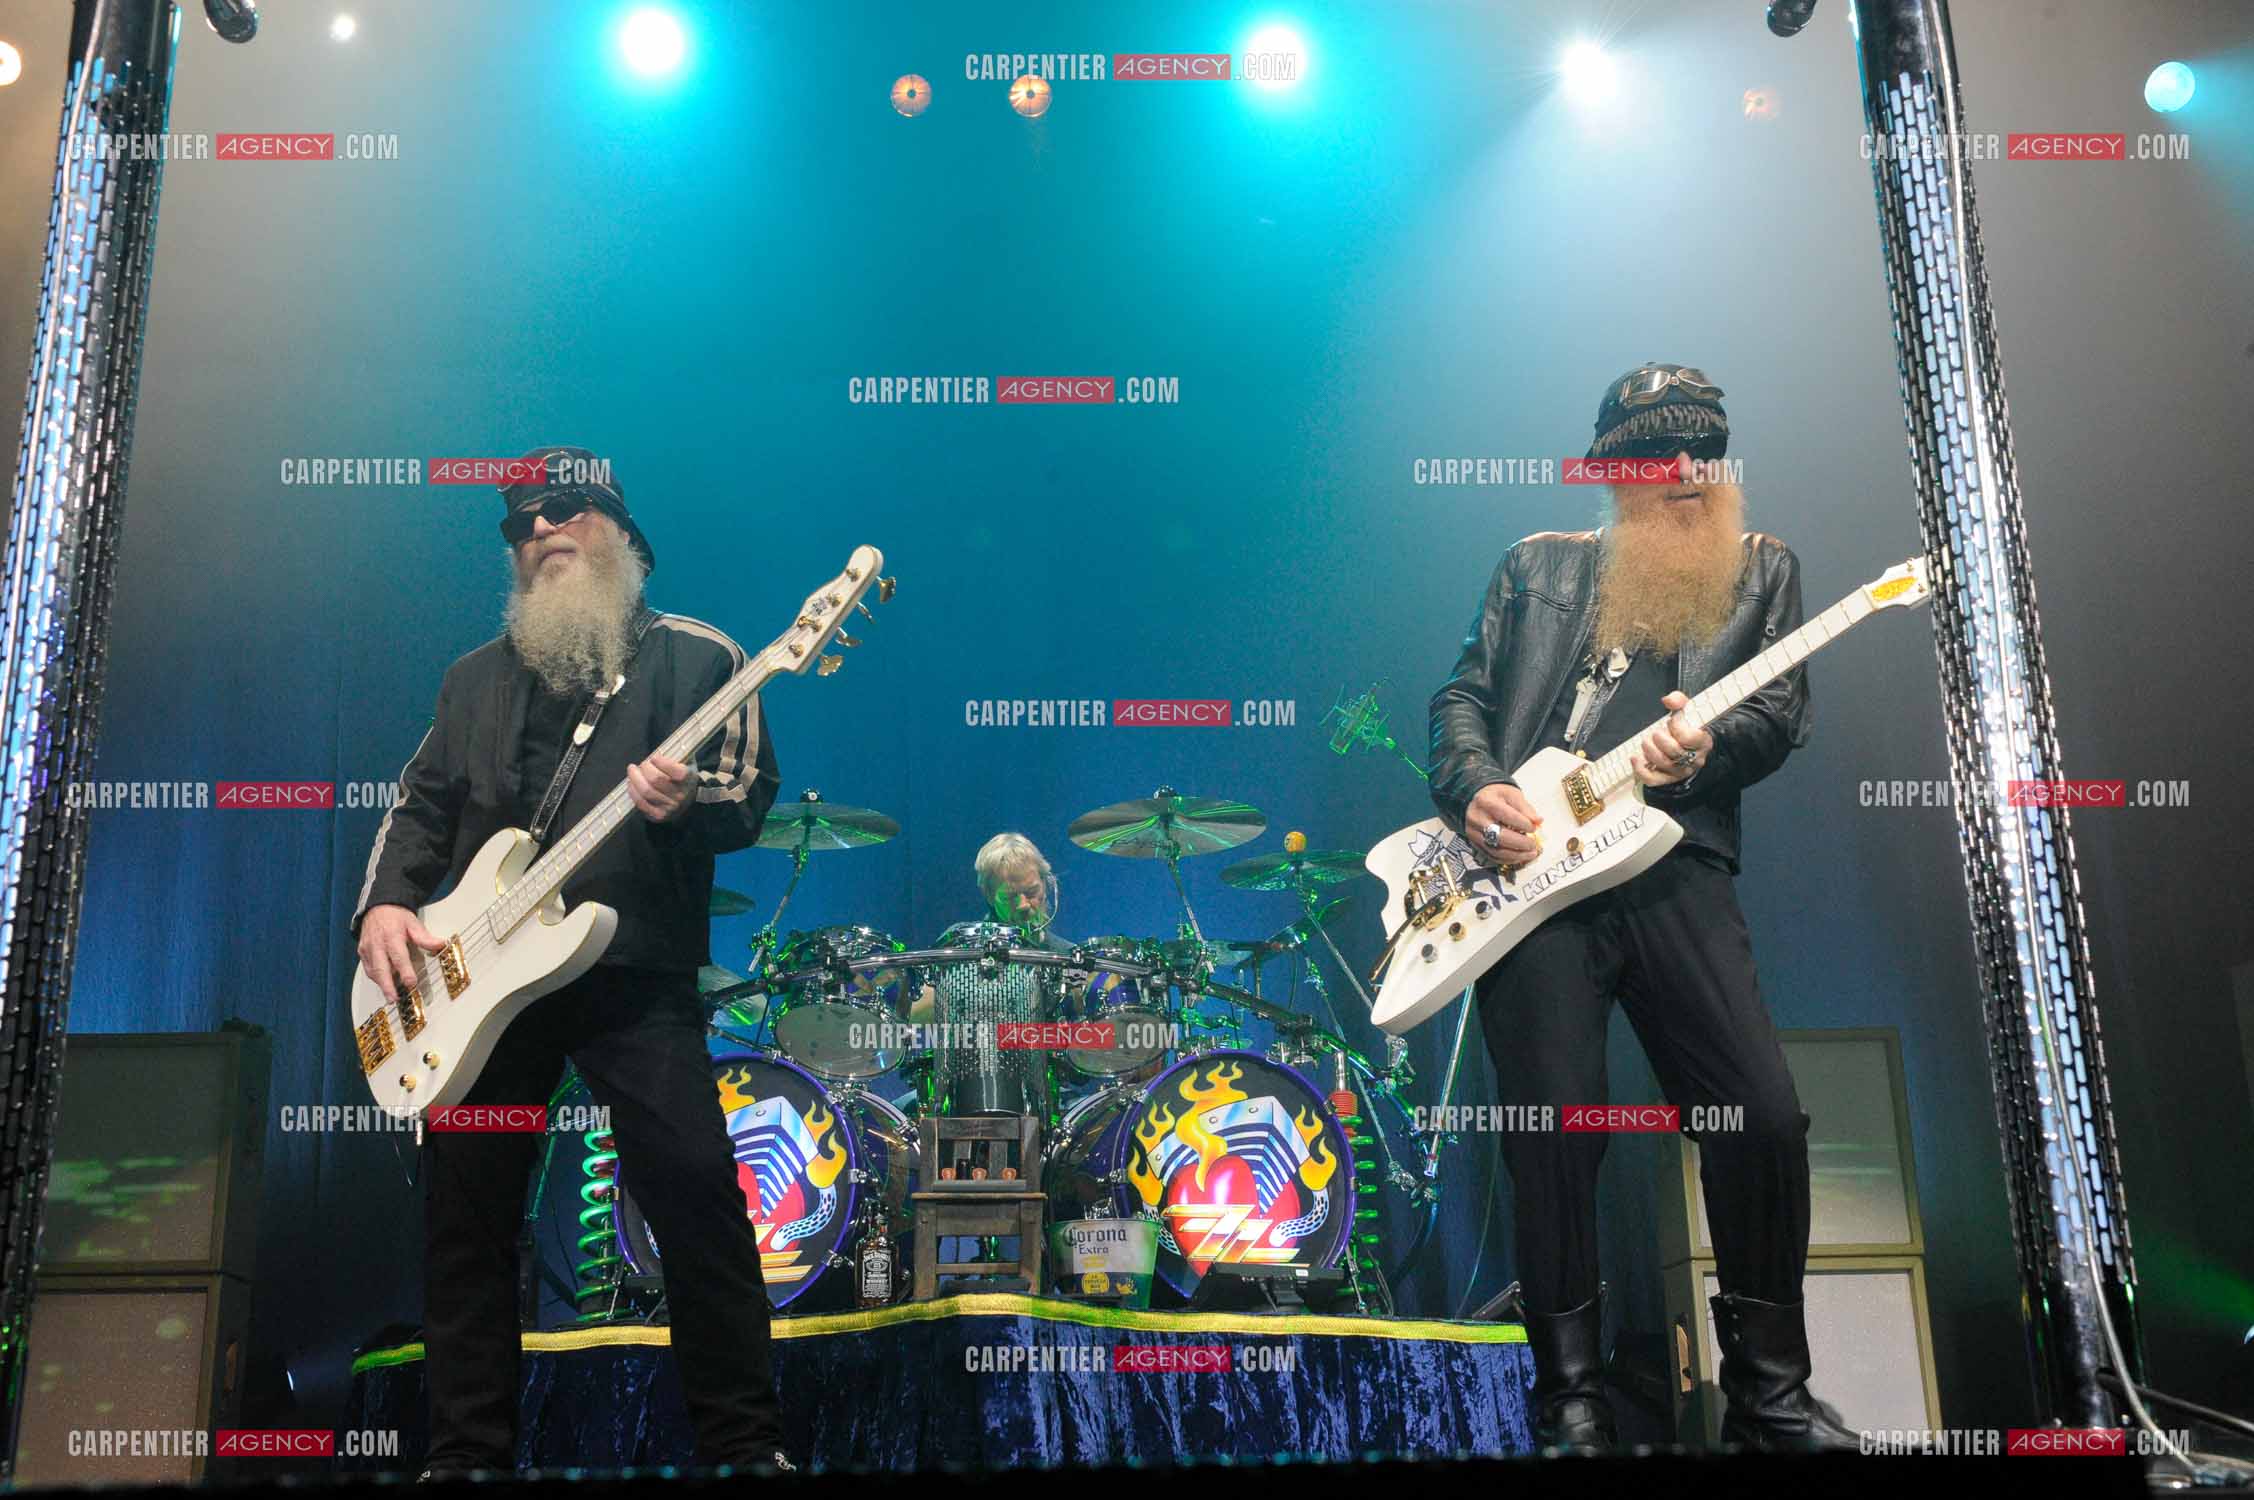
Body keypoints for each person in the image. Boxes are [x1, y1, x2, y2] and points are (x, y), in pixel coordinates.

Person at [1428, 365, 1856, 1455]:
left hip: (1675, 867)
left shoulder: (1764, 574)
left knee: (1759, 1117)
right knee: (1555, 1133)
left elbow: (1776, 714)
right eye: (1656, 457)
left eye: (1702, 453)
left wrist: (1711, 744)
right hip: (1533, 889)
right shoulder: (1537, 567)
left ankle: (1769, 1397)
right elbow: (1463, 695)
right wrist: (1474, 786)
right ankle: (1568, 1400)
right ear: (1612, 470)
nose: (1685, 477)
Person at [352, 446, 792, 1474]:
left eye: (562, 510)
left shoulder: (702, 658)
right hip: (479, 992)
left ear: (622, 534)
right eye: (519, 523)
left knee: (692, 1189)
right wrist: (382, 906)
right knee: (467, 1210)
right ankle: (465, 1454)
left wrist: (686, 808)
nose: (538, 530)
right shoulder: (473, 678)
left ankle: (742, 1443)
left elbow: (747, 796)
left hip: (632, 977)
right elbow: (421, 808)